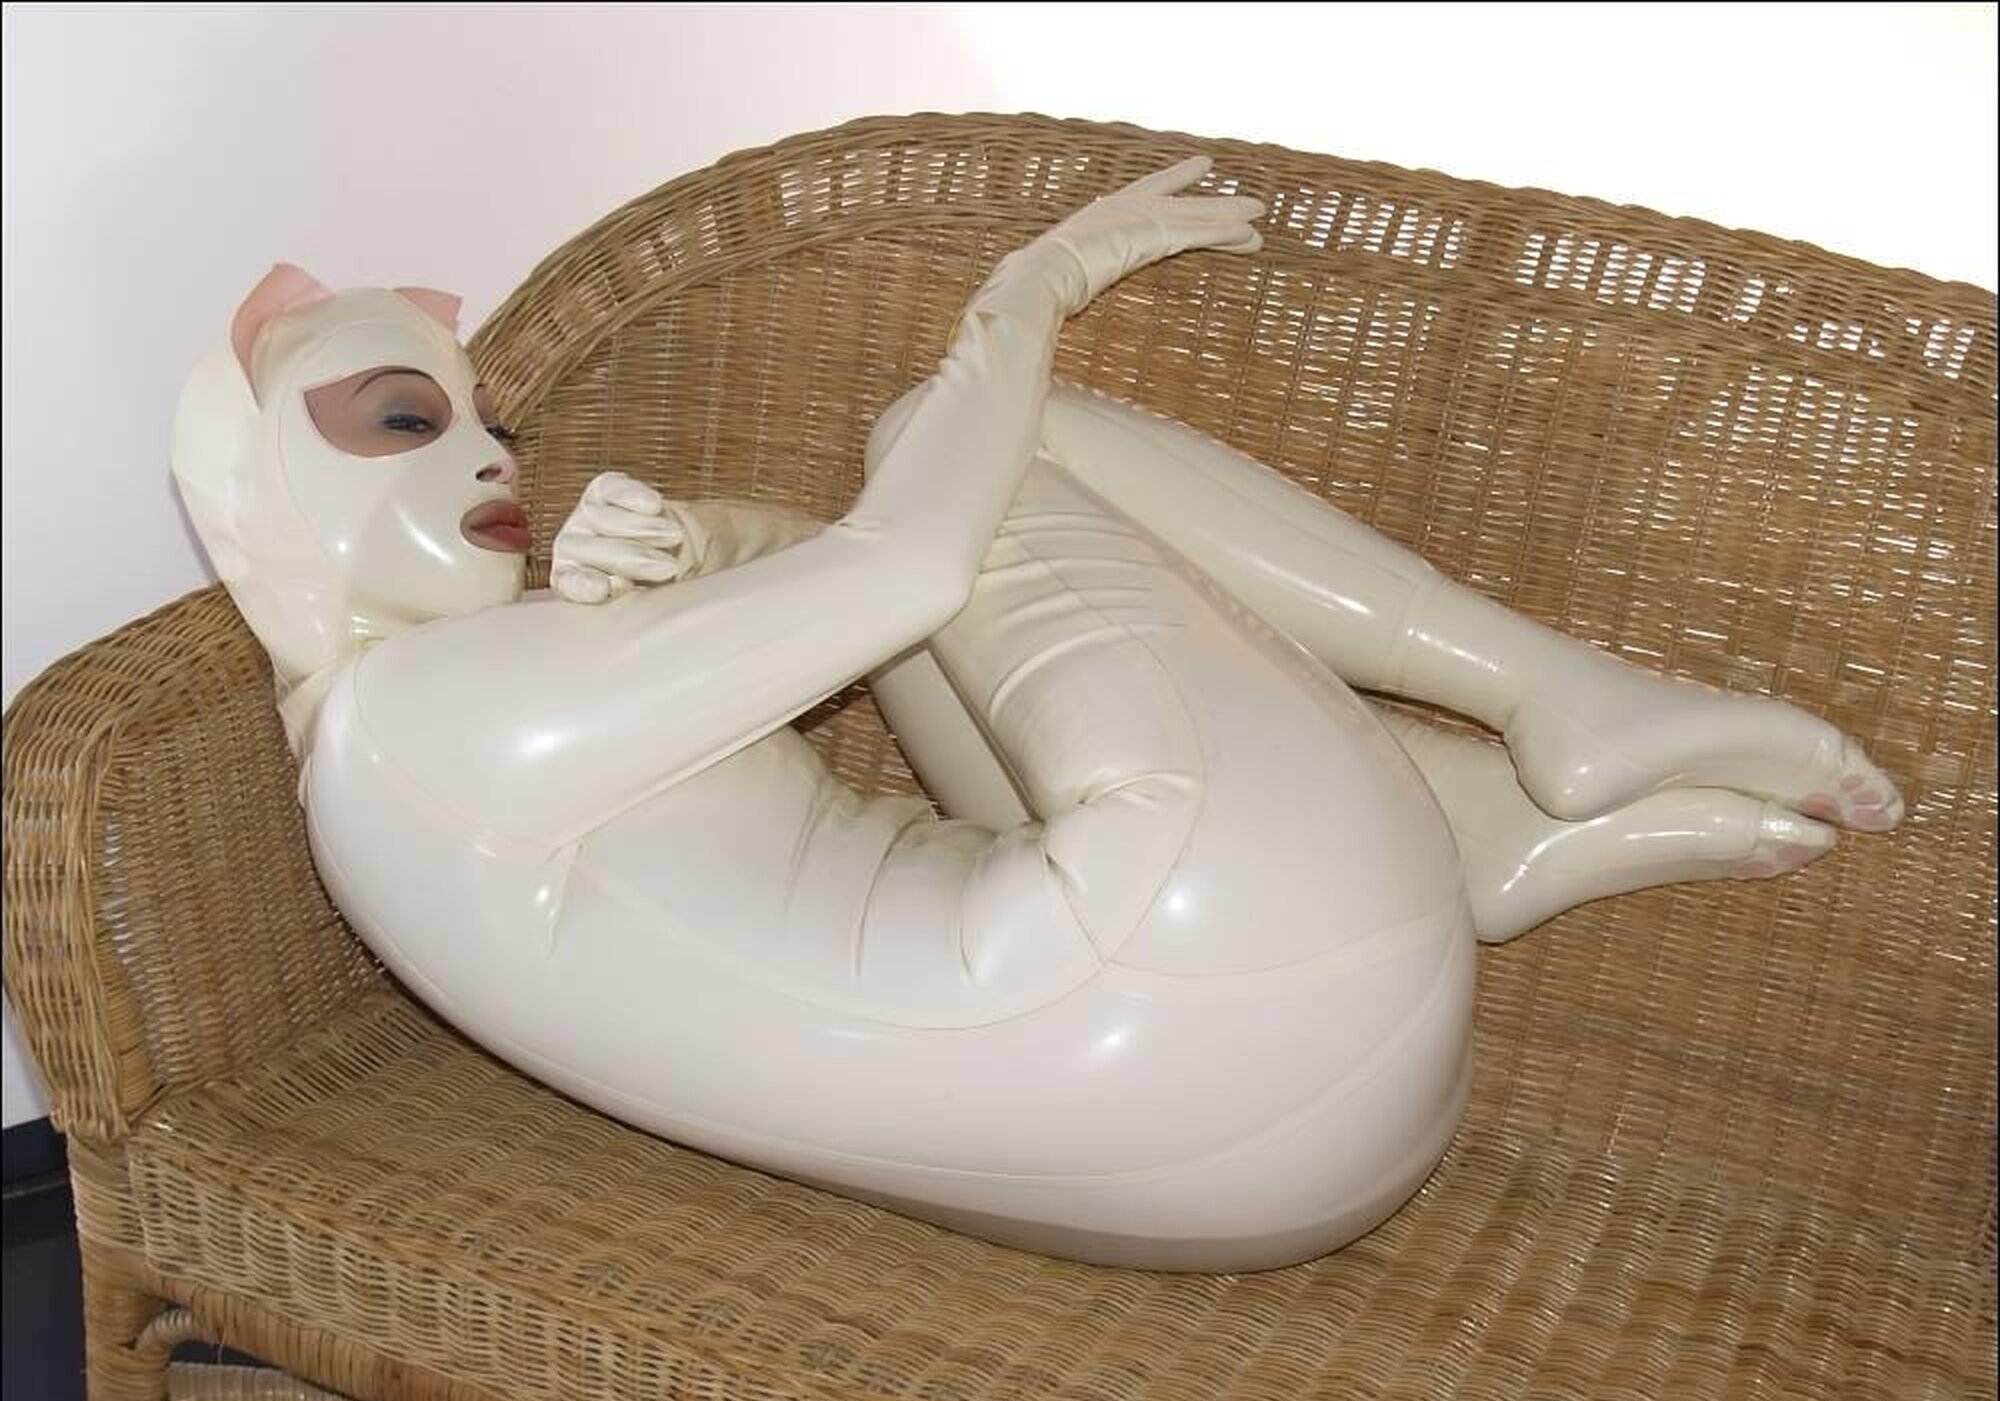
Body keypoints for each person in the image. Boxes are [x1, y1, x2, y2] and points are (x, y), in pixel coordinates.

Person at [170, 158, 1900, 1272]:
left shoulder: (397, 747)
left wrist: (700, 548)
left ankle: (1478, 839)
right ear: (259, 487)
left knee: (943, 511)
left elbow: (851, 593)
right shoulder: (435, 713)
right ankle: (1559, 703)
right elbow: (909, 560)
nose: (488, 457)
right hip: (1229, 986)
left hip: (1213, 1175)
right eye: (404, 419)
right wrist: (1034, 291)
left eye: (488, 421)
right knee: (959, 438)